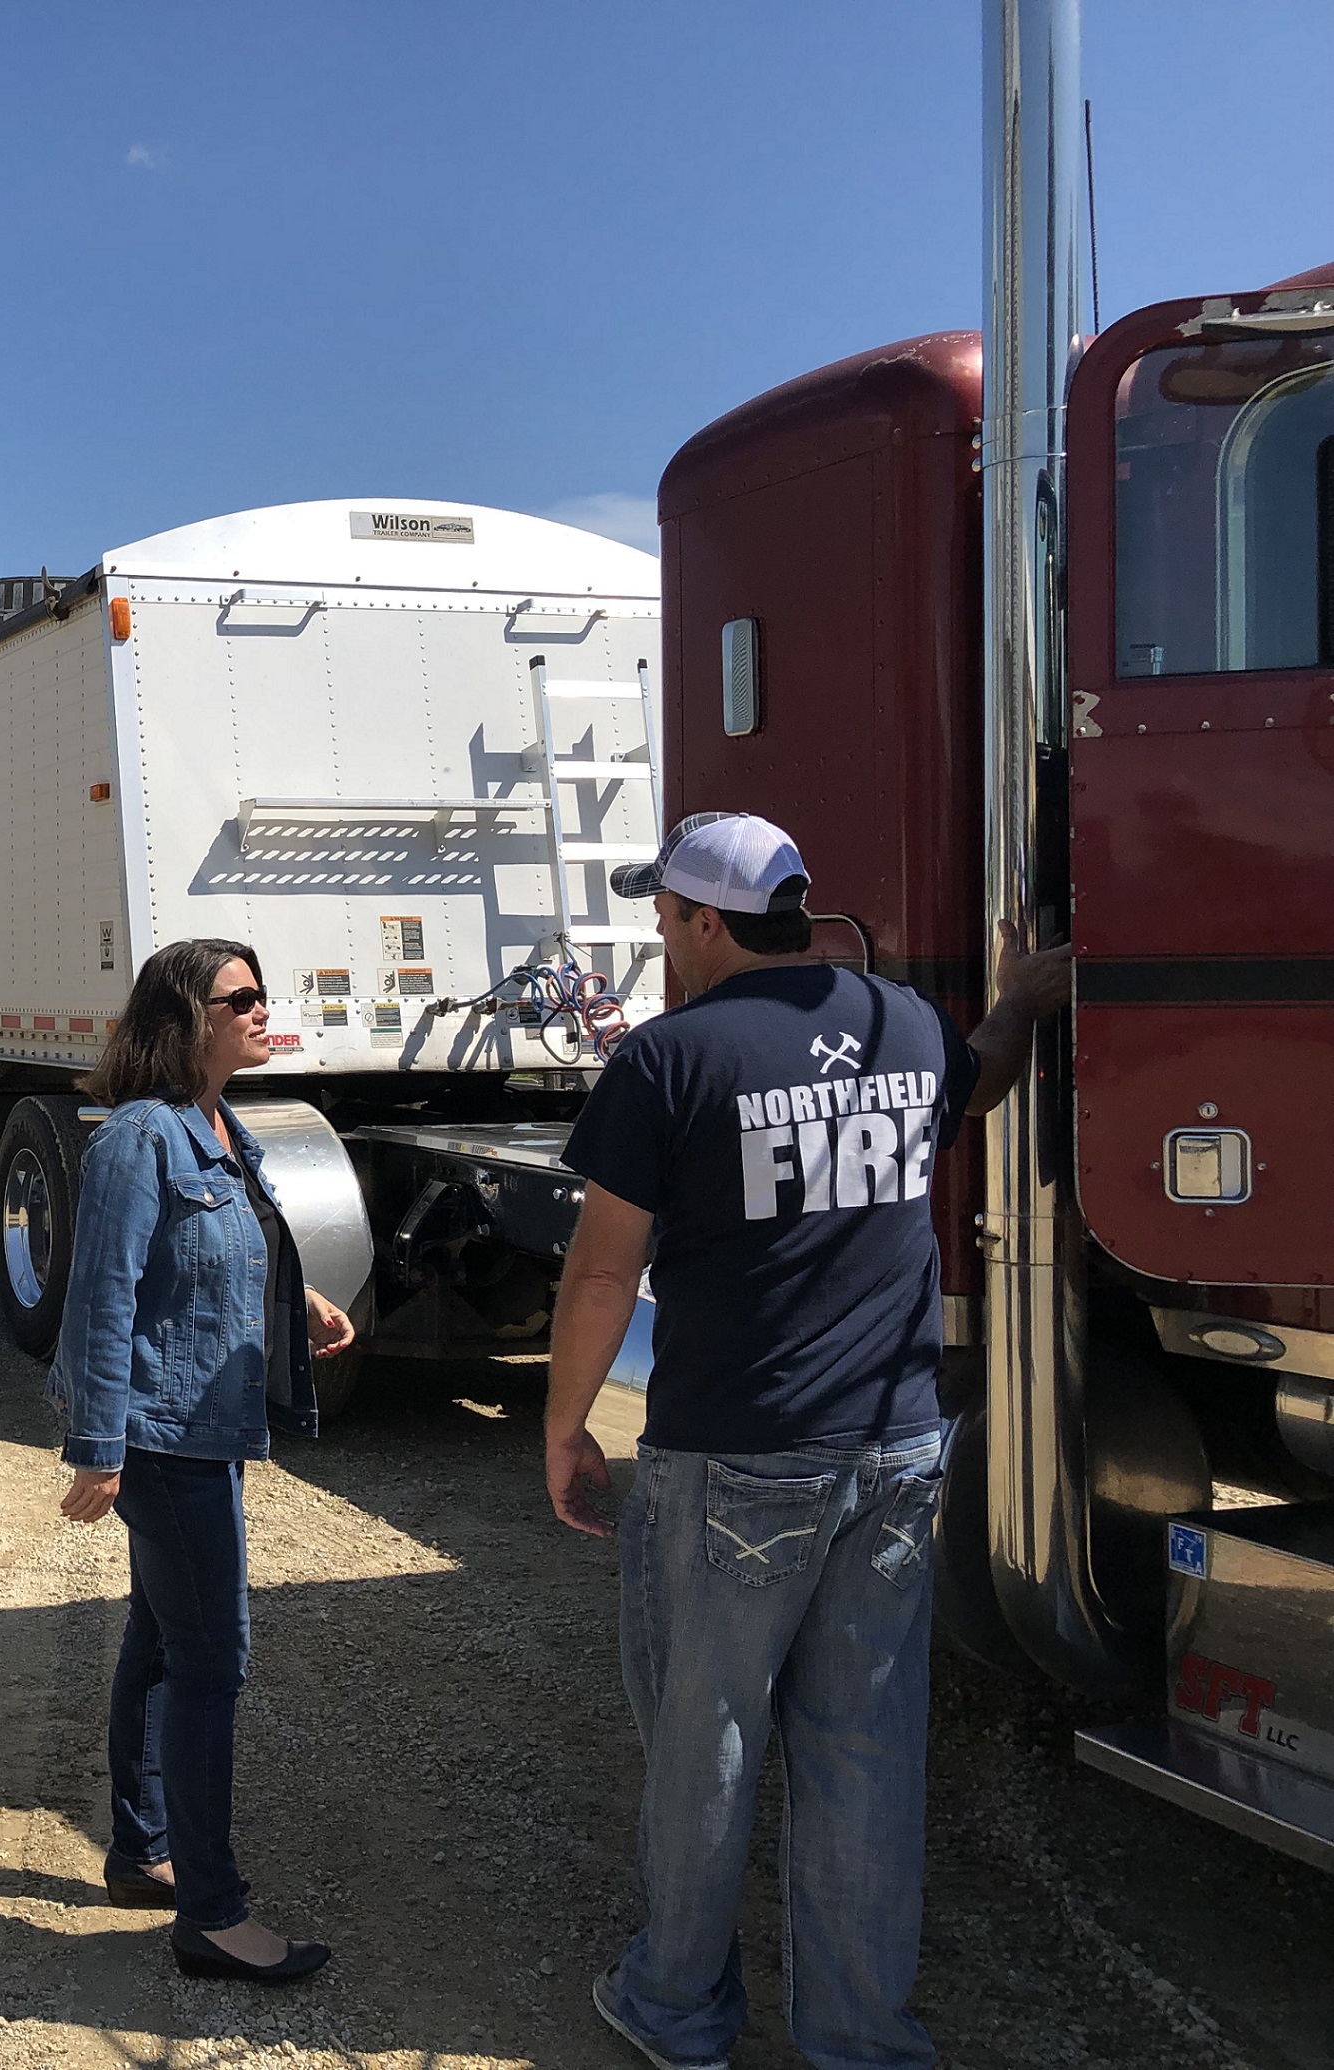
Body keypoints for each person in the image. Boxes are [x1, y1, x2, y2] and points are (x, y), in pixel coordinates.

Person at [540, 812, 1073, 2070]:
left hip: (735, 1454)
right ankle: (859, 2040)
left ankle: (675, 2009)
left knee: (702, 1738)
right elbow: (980, 1075)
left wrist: (562, 1427)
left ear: (705, 923)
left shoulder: (668, 1060)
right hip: (892, 1448)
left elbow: (600, 1277)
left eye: (664, 918)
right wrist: (1019, 1003)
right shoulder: (897, 1022)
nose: (659, 940)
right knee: (863, 1750)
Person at [49, 936, 357, 1985]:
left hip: (204, 1423)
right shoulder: (140, 1139)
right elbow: (101, 1295)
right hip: (161, 1432)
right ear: (184, 1020)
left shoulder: (214, 1123)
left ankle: (144, 1852)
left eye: (264, 993)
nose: (262, 1010)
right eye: (241, 999)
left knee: (158, 1637)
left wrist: (298, 1301)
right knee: (210, 1662)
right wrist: (97, 1447)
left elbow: (231, 1243)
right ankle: (211, 1917)